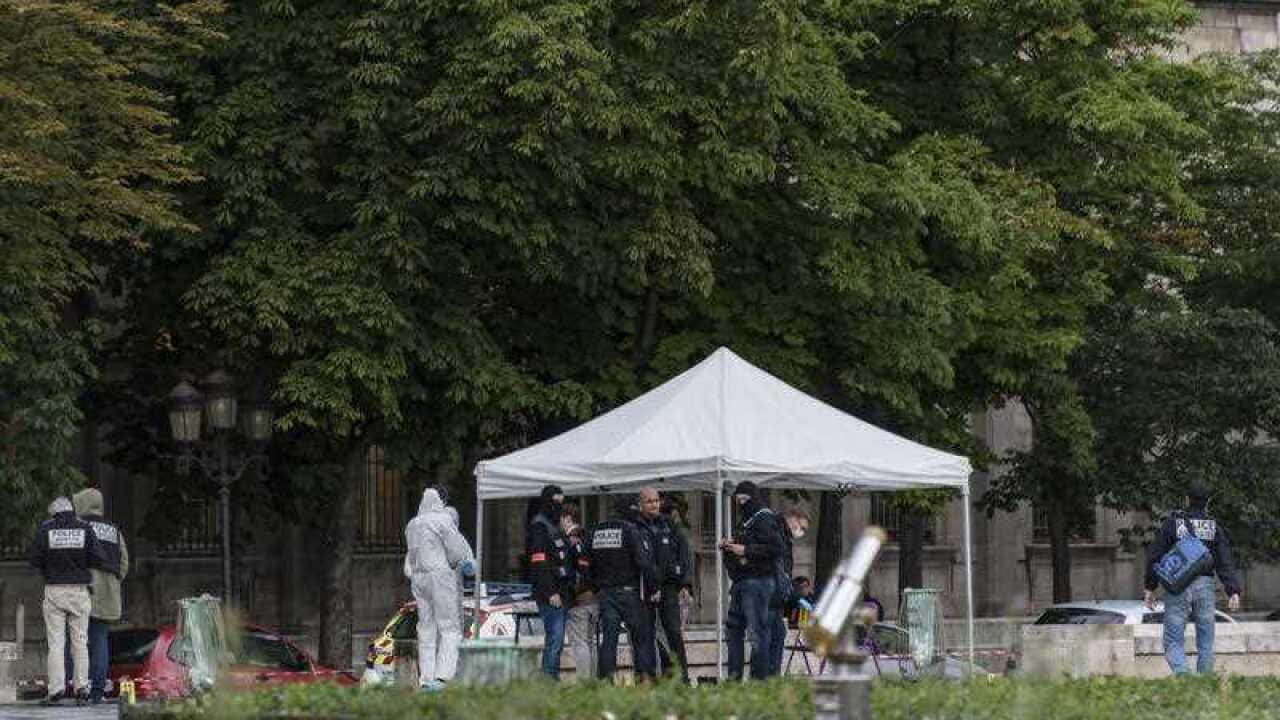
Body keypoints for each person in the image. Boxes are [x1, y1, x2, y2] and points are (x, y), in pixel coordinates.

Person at [1143, 480, 1242, 676]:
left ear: (1187, 499)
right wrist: (1233, 591)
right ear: (1208, 502)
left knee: (1173, 639)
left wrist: (1150, 587)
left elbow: (1155, 556)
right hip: (1205, 586)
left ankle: (1183, 676)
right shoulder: (1213, 527)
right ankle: (1204, 681)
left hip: (1178, 585)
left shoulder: (1173, 523)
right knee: (1206, 640)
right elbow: (1224, 561)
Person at [29, 496, 104, 706]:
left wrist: (49, 565)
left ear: (54, 512)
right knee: (80, 642)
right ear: (72, 511)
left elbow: (34, 560)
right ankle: (81, 689)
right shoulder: (85, 528)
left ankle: (56, 690)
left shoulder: (46, 529)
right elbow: (99, 558)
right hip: (79, 591)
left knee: (56, 644)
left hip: (54, 591)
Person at [404, 487, 475, 691]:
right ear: (440, 502)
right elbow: (456, 550)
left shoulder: (412, 525)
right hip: (440, 575)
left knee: (426, 627)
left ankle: (426, 677)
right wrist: (461, 563)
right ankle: (443, 677)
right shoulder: (442, 520)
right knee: (449, 627)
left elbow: (412, 556)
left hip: (419, 578)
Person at [580, 496, 657, 683]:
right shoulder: (630, 531)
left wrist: (592, 586)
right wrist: (653, 588)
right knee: (640, 637)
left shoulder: (596, 531)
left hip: (605, 594)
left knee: (609, 639)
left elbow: (583, 563)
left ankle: (606, 681)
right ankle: (643, 679)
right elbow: (643, 563)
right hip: (629, 592)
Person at [63, 489, 128, 704]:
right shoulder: (114, 530)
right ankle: (98, 691)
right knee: (100, 640)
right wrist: (111, 583)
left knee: (73, 641)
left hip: (79, 591)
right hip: (106, 597)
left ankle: (73, 688)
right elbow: (123, 564)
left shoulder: (77, 528)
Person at [719, 481, 784, 680]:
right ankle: (734, 678)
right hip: (743, 582)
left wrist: (745, 550)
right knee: (734, 630)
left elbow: (775, 548)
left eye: (744, 500)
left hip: (758, 582)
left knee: (757, 634)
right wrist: (730, 546)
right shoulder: (748, 519)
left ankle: (758, 682)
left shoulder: (763, 518)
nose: (741, 504)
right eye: (738, 500)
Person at [636, 487, 693, 683]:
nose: (654, 504)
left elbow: (684, 553)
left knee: (674, 633)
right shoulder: (635, 526)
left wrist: (685, 583)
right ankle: (650, 680)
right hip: (645, 589)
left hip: (669, 588)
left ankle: (680, 679)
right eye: (649, 501)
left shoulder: (669, 524)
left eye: (656, 500)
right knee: (647, 636)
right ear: (640, 504)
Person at [525, 484, 573, 680]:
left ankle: (552, 677)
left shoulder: (553, 525)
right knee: (554, 639)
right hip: (550, 592)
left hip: (561, 589)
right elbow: (539, 562)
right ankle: (548, 680)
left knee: (558, 640)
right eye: (555, 503)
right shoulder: (540, 526)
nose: (559, 508)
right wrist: (550, 592)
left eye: (561, 503)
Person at [769, 506, 809, 675]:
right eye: (803, 527)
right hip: (769, 598)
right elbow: (779, 574)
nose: (802, 532)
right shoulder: (777, 535)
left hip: (775, 599)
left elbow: (784, 574)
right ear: (792, 519)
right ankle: (768, 681)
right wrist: (798, 596)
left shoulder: (784, 537)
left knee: (777, 635)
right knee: (773, 637)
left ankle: (771, 679)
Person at [561, 508, 598, 681]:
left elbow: (576, 572)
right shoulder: (591, 538)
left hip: (579, 600)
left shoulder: (571, 541)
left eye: (561, 519)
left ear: (568, 518)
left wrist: (573, 594)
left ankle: (584, 683)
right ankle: (593, 681)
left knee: (580, 643)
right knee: (591, 643)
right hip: (595, 598)